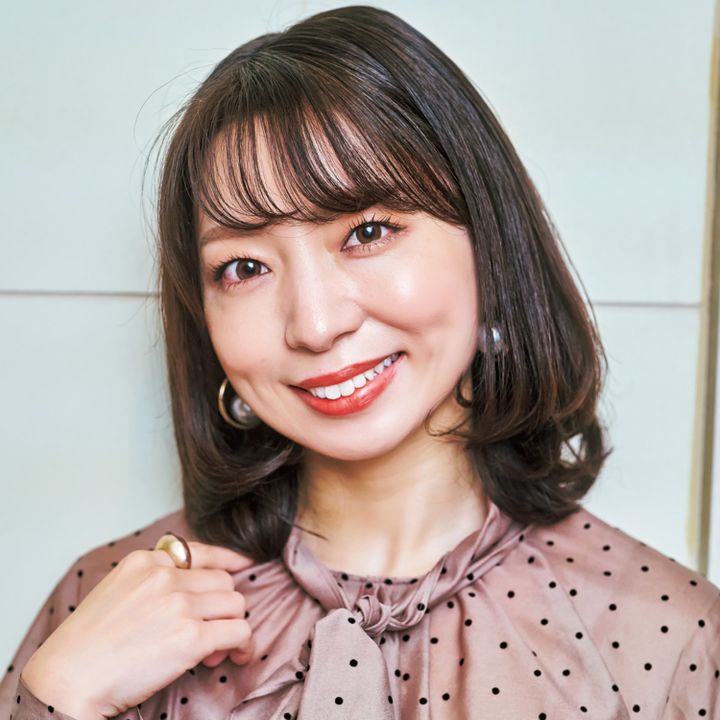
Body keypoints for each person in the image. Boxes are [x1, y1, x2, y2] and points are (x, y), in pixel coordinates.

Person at [2, 5, 719, 719]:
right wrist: (58, 698)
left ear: (489, 243)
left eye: (368, 232)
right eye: (245, 267)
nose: (315, 325)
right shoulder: (101, 607)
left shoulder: (668, 641)